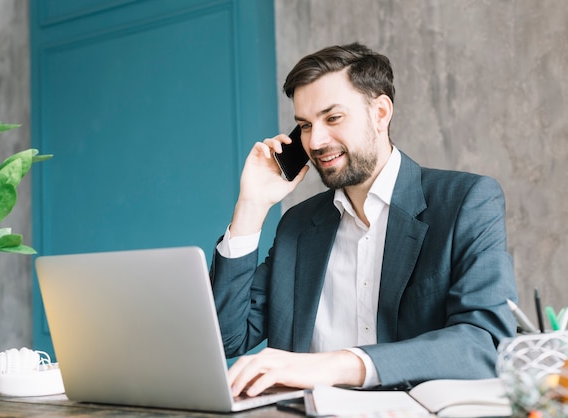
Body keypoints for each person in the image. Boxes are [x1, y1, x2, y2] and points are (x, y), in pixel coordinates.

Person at [210, 42, 517, 397]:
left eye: (333, 118)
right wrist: (251, 205)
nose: (316, 140)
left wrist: (336, 364)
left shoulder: (466, 201)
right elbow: (226, 339)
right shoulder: (298, 225)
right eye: (305, 125)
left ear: (381, 112)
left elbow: (485, 342)